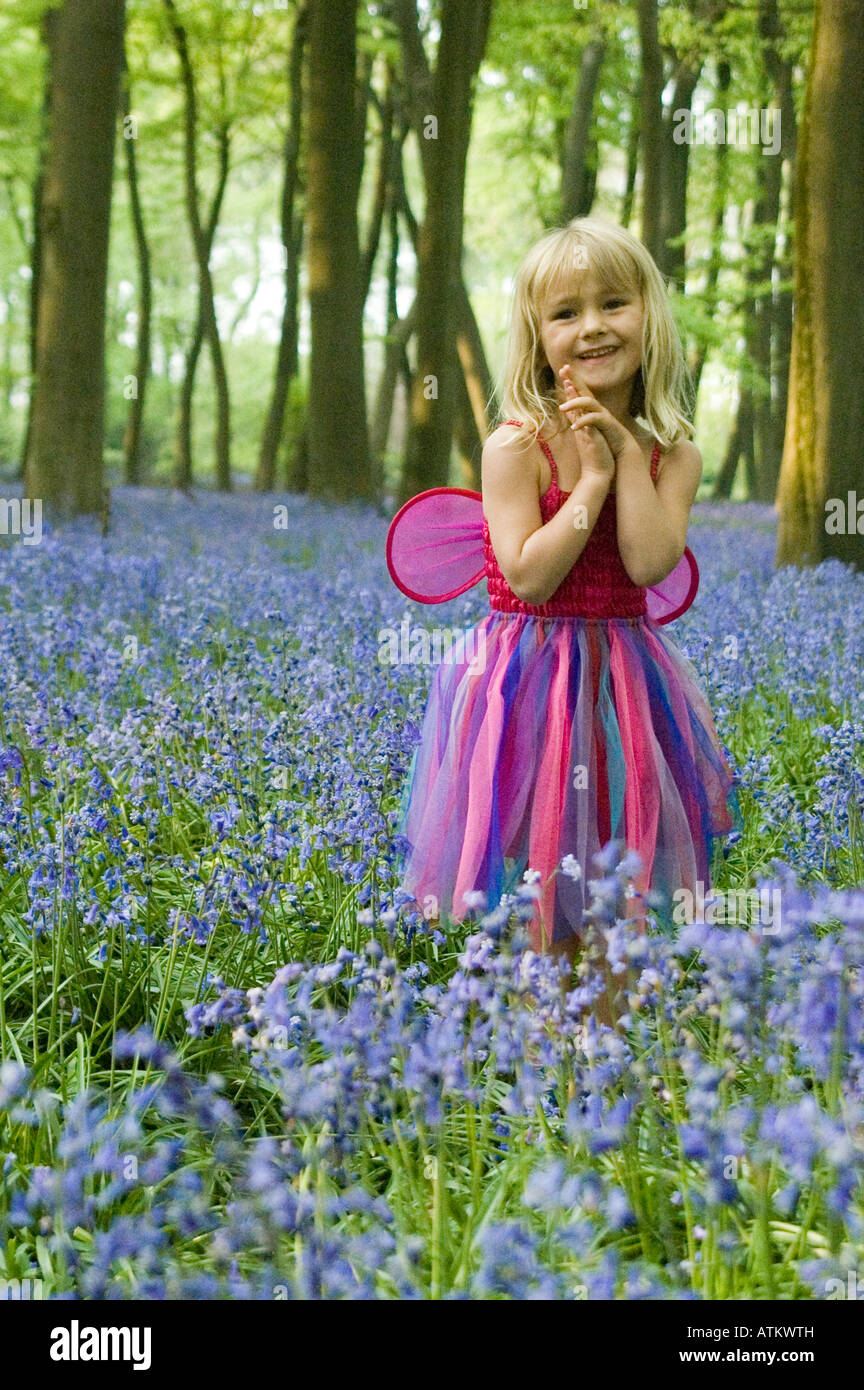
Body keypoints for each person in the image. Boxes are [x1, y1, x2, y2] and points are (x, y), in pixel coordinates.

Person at [394, 217, 741, 1017]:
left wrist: (622, 455)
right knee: (547, 875)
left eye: (614, 303)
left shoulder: (673, 451)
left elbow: (651, 562)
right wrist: (587, 479)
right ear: (536, 336)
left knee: (620, 879)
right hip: (529, 683)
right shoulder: (515, 445)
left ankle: (606, 1058)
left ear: (648, 316)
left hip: (624, 689)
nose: (592, 327)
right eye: (565, 313)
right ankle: (540, 1055)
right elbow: (529, 574)